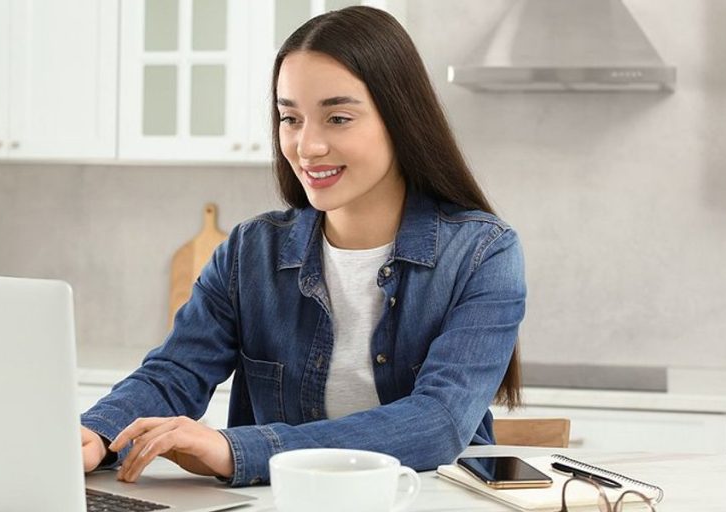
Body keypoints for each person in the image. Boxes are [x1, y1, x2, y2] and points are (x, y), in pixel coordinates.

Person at [80, 5, 526, 488]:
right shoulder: (250, 252)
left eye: (337, 118)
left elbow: (439, 422)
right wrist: (96, 433)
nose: (306, 146)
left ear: (401, 119)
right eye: (290, 118)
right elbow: (175, 374)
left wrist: (238, 450)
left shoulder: (484, 253)